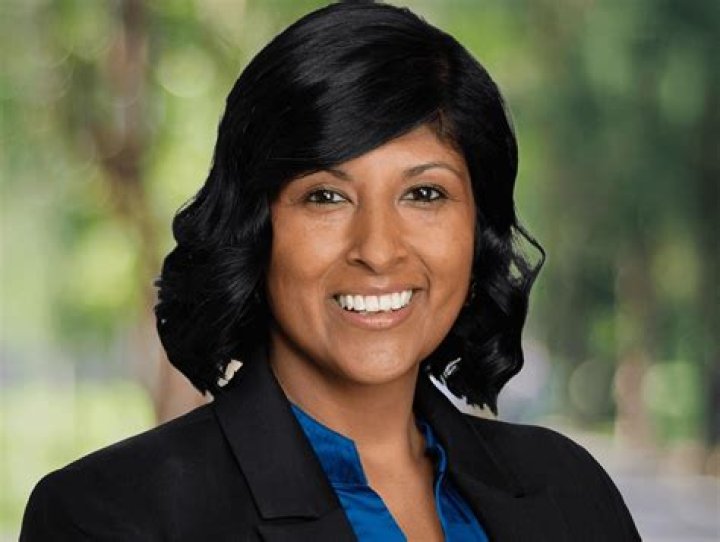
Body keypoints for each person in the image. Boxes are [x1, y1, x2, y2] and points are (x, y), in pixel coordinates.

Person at [20, 2, 641, 540]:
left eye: (424, 194)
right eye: (326, 196)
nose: (379, 250)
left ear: (477, 229)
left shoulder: (570, 492)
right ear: (255, 226)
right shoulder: (112, 515)